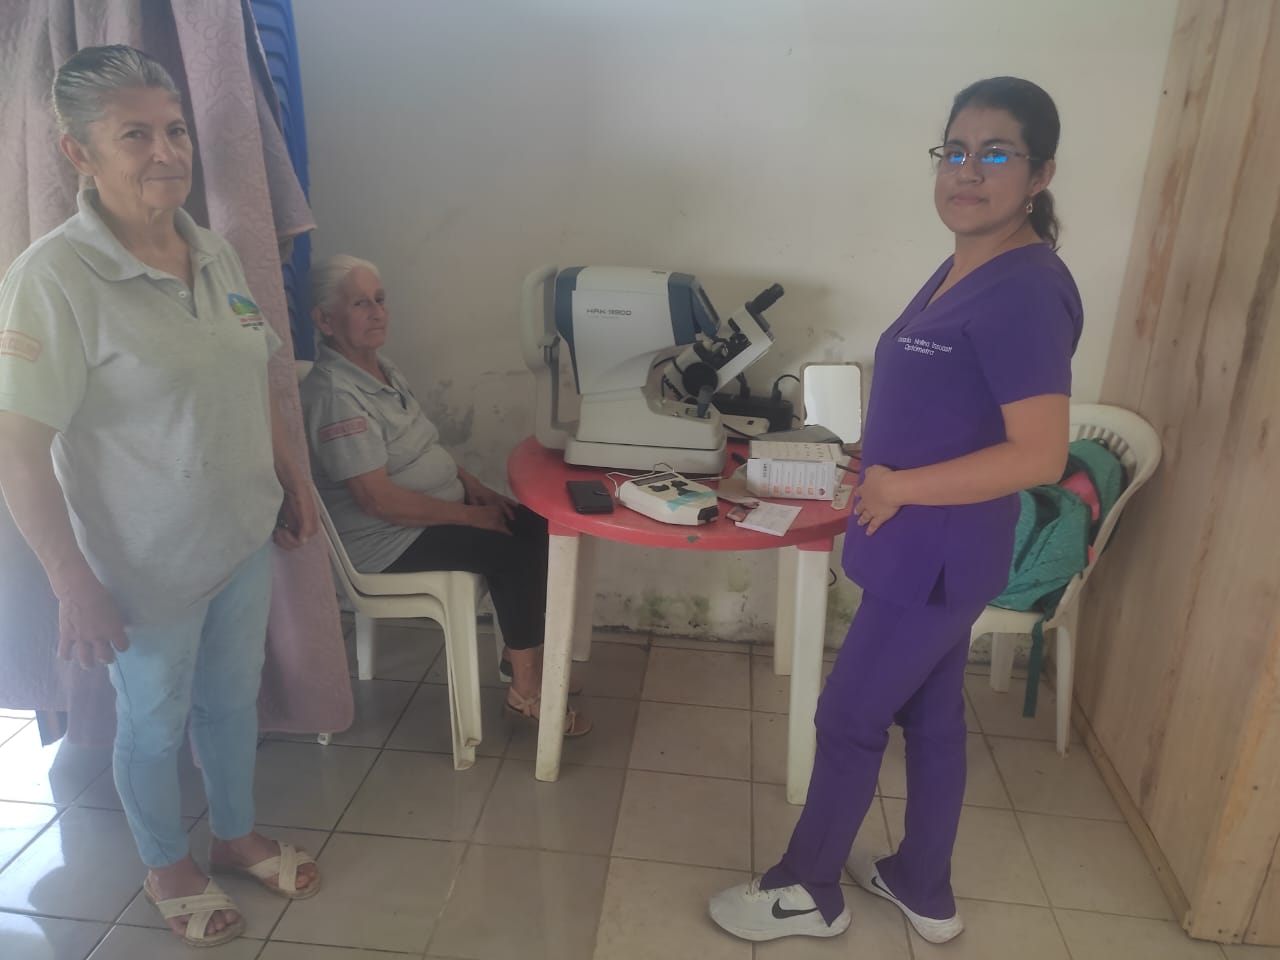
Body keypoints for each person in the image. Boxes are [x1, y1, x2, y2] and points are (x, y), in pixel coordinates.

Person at [709, 76, 1082, 943]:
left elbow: (1038, 454)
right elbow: (950, 403)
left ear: (1040, 175)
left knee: (849, 715)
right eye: (955, 150)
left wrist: (899, 486)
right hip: (923, 543)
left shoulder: (1026, 289)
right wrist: (870, 464)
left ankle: (809, 891)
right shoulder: (967, 262)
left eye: (997, 154)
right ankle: (923, 884)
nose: (967, 171)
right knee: (931, 715)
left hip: (936, 553)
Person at [0, 46, 322, 948]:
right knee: (152, 721)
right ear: (78, 153)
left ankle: (234, 836)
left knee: (232, 699)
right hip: (142, 563)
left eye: (174, 130)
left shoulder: (211, 250)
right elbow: (17, 450)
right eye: (134, 134)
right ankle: (166, 863)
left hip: (239, 536)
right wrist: (73, 583)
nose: (166, 152)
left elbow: (256, 371)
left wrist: (290, 478)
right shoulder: (52, 279)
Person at [300, 255, 591, 736]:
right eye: (359, 304)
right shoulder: (336, 395)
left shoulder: (382, 370)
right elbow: (378, 501)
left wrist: (476, 491)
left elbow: (425, 449)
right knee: (510, 551)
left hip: (427, 516)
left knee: (539, 526)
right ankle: (525, 692)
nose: (377, 313)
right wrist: (470, 518)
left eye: (380, 300)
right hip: (385, 540)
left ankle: (519, 656)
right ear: (325, 320)